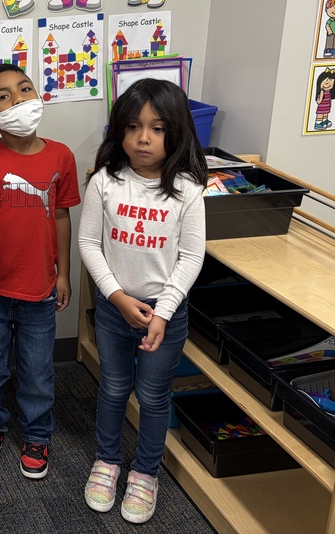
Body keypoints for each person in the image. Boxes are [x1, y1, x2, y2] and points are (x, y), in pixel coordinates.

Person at [79, 78, 207, 525]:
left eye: (156, 127)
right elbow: (89, 243)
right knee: (114, 387)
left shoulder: (188, 190)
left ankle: (145, 473)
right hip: (116, 309)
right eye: (133, 126)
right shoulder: (105, 182)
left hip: (165, 314)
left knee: (153, 396)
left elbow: (191, 257)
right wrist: (115, 297)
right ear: (120, 132)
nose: (144, 137)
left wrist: (165, 311)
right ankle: (107, 461)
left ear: (175, 132)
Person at [0, 64, 81, 480]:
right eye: (4, 97)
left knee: (37, 368)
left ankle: (36, 433)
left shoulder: (61, 155)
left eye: (24, 89)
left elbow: (62, 217)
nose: (19, 101)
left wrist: (63, 273)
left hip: (40, 288)